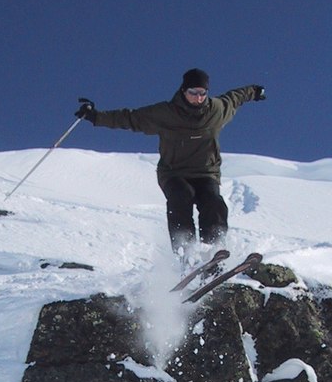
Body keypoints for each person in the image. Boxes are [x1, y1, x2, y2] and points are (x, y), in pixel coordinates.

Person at [75, 69, 266, 256]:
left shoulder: (217, 109)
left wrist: (255, 91)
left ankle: (214, 248)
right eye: (193, 92)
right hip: (174, 173)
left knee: (213, 202)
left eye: (202, 93)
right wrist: (96, 116)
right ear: (183, 91)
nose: (198, 98)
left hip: (206, 173)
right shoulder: (166, 113)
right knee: (181, 197)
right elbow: (132, 118)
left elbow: (236, 97)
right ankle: (186, 252)